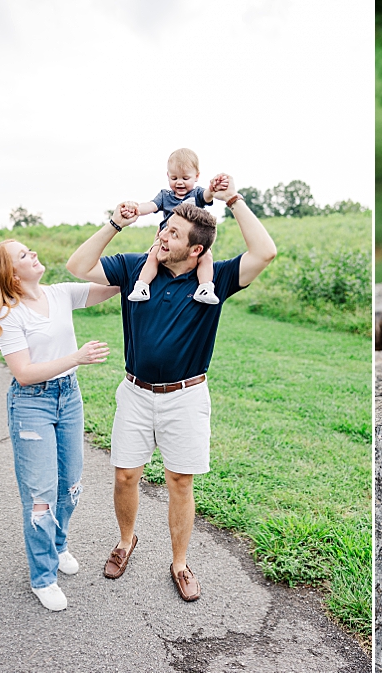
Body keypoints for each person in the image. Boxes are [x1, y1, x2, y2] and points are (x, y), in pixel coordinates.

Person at [66, 175, 276, 602]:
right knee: (126, 475)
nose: (163, 235)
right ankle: (126, 542)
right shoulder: (133, 268)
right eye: (165, 227)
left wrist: (233, 198)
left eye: (174, 233)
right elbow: (78, 266)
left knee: (180, 481)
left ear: (195, 249)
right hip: (136, 393)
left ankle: (180, 564)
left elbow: (265, 252)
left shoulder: (214, 279)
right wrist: (114, 223)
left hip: (187, 396)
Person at [0, 240, 119, 611]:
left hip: (68, 397)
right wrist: (76, 356)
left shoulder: (59, 294)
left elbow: (115, 283)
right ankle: (43, 576)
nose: (34, 255)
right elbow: (23, 374)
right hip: (32, 405)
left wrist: (128, 234)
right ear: (12, 274)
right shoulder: (8, 315)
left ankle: (58, 546)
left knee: (70, 485)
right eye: (24, 255)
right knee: (41, 497)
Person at [124, 148, 223, 305]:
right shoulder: (164, 196)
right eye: (174, 177)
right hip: (165, 238)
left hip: (191, 239)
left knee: (206, 256)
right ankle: (142, 286)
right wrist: (136, 209)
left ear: (197, 176)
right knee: (152, 255)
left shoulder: (196, 194)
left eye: (185, 178)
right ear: (168, 176)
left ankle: (205, 288)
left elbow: (207, 196)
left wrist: (212, 189)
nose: (179, 182)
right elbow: (151, 206)